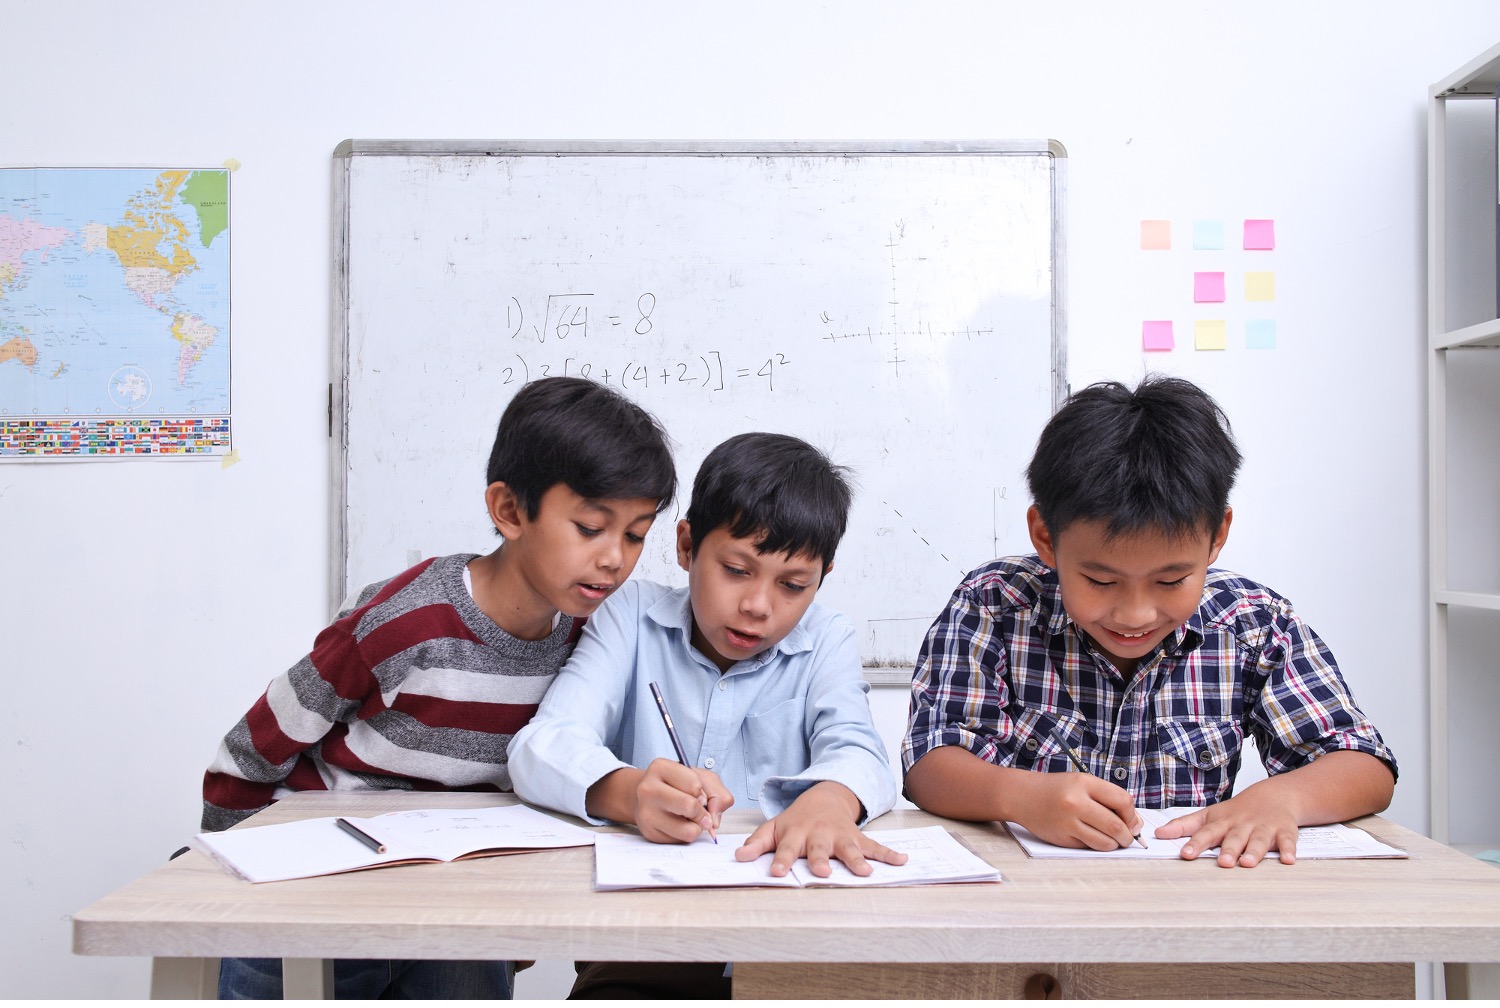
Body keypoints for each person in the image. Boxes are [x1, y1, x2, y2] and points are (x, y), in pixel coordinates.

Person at [200, 376, 676, 999]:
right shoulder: (405, 623)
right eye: (590, 528)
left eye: (636, 535)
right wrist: (227, 871)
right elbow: (253, 748)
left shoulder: (590, 642)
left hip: (452, 916)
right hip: (312, 903)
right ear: (509, 511)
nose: (615, 558)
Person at [903, 375, 1397, 869]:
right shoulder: (993, 606)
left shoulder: (1253, 625)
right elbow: (929, 763)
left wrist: (1281, 799)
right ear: (1046, 538)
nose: (1135, 614)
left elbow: (1364, 764)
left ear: (1217, 536)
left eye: (1170, 581)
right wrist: (1019, 796)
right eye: (1099, 581)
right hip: (1032, 903)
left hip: (1188, 906)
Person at [509, 431, 903, 999]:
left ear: (823, 578)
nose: (758, 605)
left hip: (786, 945)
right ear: (688, 545)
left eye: (793, 585)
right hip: (643, 948)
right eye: (737, 570)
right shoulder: (631, 616)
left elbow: (860, 751)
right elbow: (541, 745)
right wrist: (629, 791)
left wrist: (830, 798)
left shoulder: (825, 638)